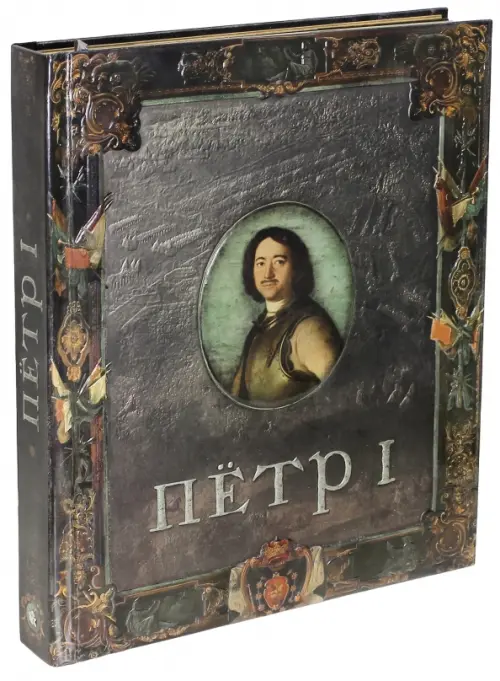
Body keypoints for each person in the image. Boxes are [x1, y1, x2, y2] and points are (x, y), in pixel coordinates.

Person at [231, 227, 342, 405]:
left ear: (296, 269)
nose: (268, 273)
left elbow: (343, 396)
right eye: (260, 263)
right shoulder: (262, 325)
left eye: (279, 262)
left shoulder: (310, 329)